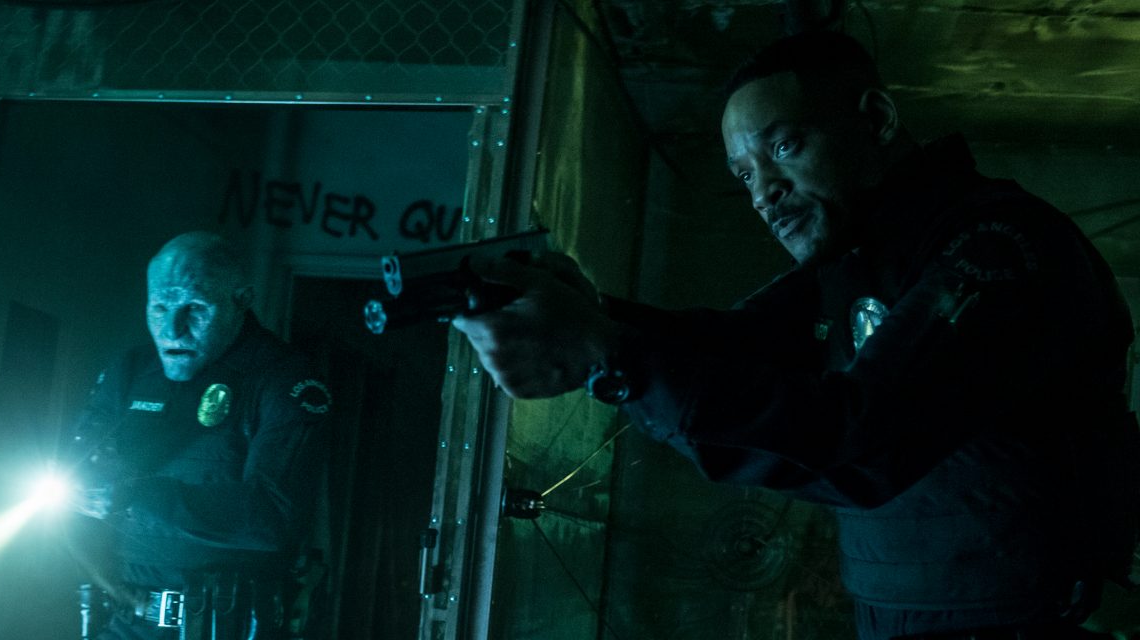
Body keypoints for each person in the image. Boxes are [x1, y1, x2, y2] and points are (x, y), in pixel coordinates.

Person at [452, 31, 1140, 640]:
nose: (764, 193)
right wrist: (591, 313)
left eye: (784, 147)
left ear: (876, 119)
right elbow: (730, 343)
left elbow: (861, 442)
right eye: (745, 174)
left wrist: (607, 350)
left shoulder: (993, 247)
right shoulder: (860, 257)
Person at [65, 231, 332, 639]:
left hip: (225, 625)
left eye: (195, 308)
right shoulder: (133, 369)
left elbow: (273, 517)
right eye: (159, 308)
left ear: (241, 300)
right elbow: (80, 459)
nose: (173, 330)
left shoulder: (283, 379)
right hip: (127, 617)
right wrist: (82, 478)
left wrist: (137, 495)